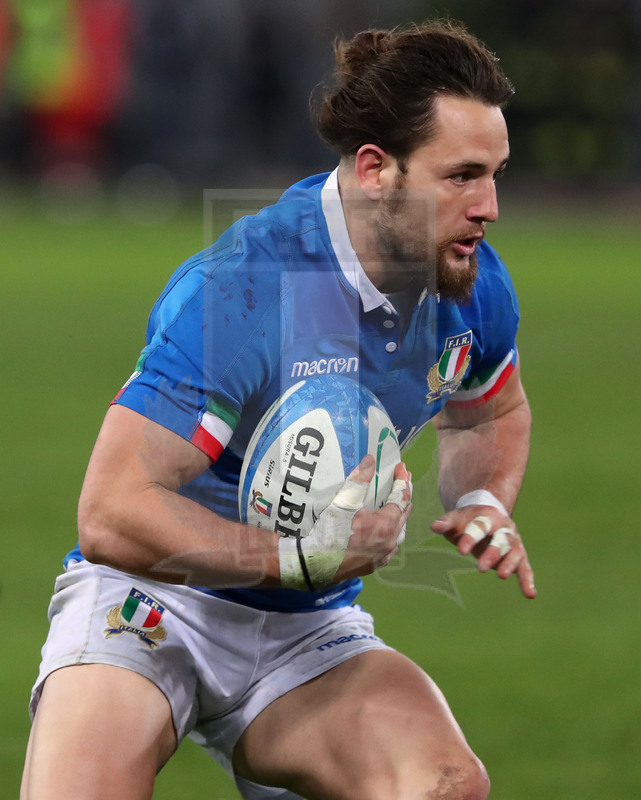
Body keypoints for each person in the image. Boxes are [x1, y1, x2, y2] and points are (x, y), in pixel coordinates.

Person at [21, 19, 536, 800]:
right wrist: (289, 556)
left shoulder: (466, 282)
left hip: (304, 628)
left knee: (443, 784)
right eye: (461, 175)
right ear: (374, 169)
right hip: (153, 598)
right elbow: (112, 511)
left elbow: (488, 410)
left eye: (495, 174)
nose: (488, 206)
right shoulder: (244, 291)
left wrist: (480, 499)